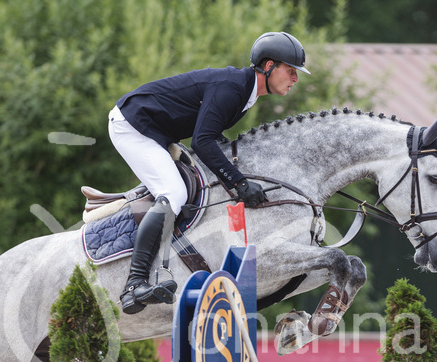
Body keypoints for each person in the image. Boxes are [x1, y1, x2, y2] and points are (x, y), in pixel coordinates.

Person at [109, 31, 309, 314]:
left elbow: (211, 135)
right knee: (173, 193)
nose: (295, 79)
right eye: (291, 71)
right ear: (269, 66)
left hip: (156, 130)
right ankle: (134, 284)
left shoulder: (245, 92)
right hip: (133, 126)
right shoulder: (233, 89)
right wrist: (240, 183)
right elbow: (202, 142)